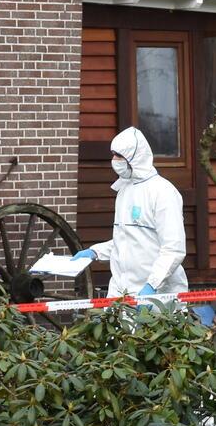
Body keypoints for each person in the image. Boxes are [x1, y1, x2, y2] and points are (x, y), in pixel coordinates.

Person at [76, 127, 190, 303]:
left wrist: (152, 285)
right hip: (120, 291)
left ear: (135, 158)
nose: (114, 160)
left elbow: (173, 249)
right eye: (113, 155)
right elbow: (127, 240)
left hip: (158, 296)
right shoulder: (124, 190)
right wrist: (95, 252)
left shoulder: (163, 192)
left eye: (119, 156)